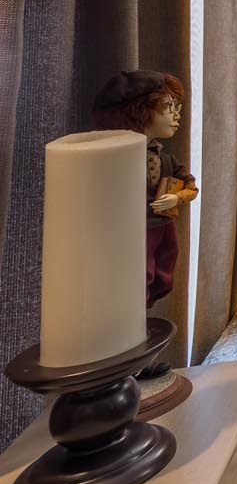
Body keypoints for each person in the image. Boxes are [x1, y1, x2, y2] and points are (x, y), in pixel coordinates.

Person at [92, 70, 198, 308]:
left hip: (163, 226)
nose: (176, 115)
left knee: (164, 273)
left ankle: (142, 311)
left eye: (177, 107)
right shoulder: (117, 158)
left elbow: (191, 185)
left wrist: (176, 198)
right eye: (168, 106)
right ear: (140, 110)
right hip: (136, 229)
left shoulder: (166, 159)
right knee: (141, 274)